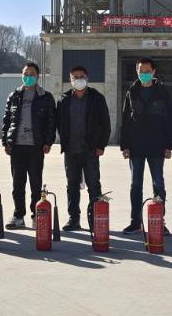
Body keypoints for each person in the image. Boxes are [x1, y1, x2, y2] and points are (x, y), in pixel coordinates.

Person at [119, 57, 172, 235]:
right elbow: (125, 120)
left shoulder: (162, 92)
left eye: (147, 71)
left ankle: (159, 220)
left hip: (157, 145)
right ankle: (135, 222)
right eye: (141, 71)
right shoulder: (132, 92)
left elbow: (169, 119)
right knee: (136, 185)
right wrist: (124, 145)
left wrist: (169, 145)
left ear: (154, 72)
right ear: (137, 72)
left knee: (158, 184)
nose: (144, 74)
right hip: (136, 146)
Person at [1, 62, 56, 230]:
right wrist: (5, 141)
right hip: (17, 146)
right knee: (17, 184)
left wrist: (48, 142)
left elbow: (51, 122)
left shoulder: (45, 97)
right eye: (25, 74)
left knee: (35, 183)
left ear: (37, 76)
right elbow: (7, 120)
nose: (28, 77)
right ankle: (18, 215)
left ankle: (36, 215)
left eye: (32, 74)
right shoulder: (14, 95)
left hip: (36, 146)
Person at [55, 66, 110, 231]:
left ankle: (95, 218)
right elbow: (60, 123)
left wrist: (101, 145)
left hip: (90, 149)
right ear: (70, 80)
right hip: (71, 149)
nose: (78, 79)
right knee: (72, 185)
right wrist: (64, 142)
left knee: (94, 184)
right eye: (75, 77)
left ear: (87, 78)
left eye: (81, 76)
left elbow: (105, 124)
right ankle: (74, 219)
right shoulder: (64, 100)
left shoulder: (97, 98)